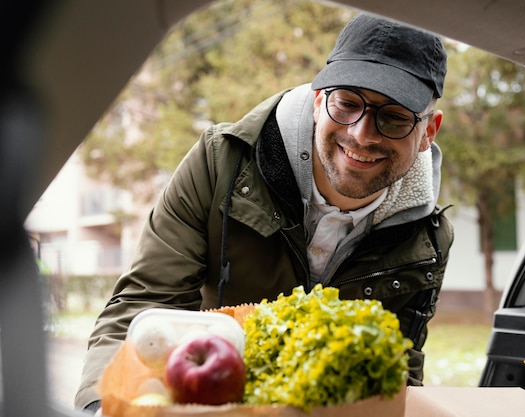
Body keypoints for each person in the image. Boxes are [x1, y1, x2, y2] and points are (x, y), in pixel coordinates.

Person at [76, 12, 454, 412]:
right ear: (318, 100)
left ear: (429, 131)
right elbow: (143, 305)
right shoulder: (220, 162)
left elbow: (399, 368)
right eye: (347, 104)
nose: (361, 134)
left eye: (393, 118)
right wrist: (103, 406)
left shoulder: (428, 238)